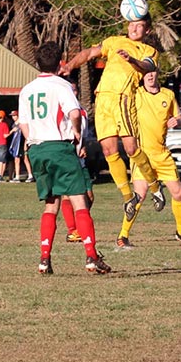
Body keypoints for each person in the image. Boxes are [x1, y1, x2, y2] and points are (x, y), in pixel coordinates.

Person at [60, 12, 165, 219]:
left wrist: (131, 59)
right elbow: (90, 53)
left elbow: (146, 67)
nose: (134, 29)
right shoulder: (114, 41)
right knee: (109, 151)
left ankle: (154, 186)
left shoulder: (149, 50)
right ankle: (128, 197)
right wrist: (69, 66)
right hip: (103, 100)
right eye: (132, 24)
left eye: (140, 26)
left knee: (131, 148)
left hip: (123, 99)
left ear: (147, 30)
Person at [18, 42, 110, 275]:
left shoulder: (27, 89)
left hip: (37, 149)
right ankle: (91, 256)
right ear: (60, 63)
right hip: (59, 147)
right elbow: (74, 112)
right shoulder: (62, 85)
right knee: (80, 201)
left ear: (38, 63)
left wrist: (32, 142)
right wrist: (77, 131)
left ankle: (44, 259)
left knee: (51, 204)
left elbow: (24, 124)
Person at [117, 70, 181, 249]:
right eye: (146, 72)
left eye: (152, 72)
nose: (149, 76)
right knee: (139, 196)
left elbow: (180, 117)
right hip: (142, 155)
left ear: (158, 74)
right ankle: (122, 235)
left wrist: (177, 122)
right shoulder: (136, 94)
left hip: (162, 153)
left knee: (178, 193)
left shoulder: (168, 95)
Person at [60, 82, 95, 243]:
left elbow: (84, 135)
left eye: (74, 89)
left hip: (80, 160)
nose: (72, 92)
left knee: (89, 196)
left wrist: (84, 146)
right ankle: (73, 230)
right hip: (67, 158)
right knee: (68, 195)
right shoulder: (61, 111)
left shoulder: (83, 112)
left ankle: (79, 228)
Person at [7, 110, 33, 183]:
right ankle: (17, 176)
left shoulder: (22, 124)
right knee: (16, 160)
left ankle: (30, 175)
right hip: (16, 144)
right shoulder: (13, 124)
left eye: (15, 115)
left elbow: (25, 135)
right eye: (12, 116)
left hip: (21, 143)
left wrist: (25, 144)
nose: (13, 117)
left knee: (25, 159)